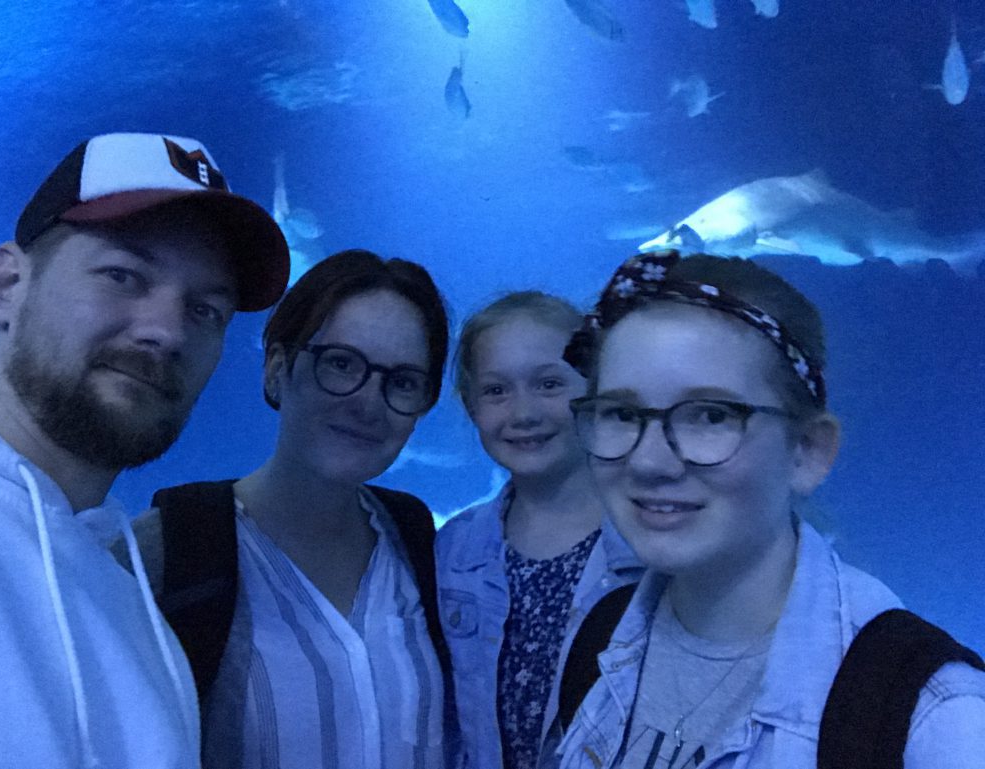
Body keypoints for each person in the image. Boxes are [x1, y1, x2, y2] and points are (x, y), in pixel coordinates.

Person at [544, 249, 985, 768]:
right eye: (620, 413)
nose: (649, 461)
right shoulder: (600, 637)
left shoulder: (932, 718)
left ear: (807, 451)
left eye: (710, 415)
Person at [0, 132, 289, 768]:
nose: (166, 331)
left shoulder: (144, 622)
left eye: (207, 310)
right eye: (122, 274)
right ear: (5, 285)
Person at [137, 248, 452, 769]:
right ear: (277, 369)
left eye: (402, 381)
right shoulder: (162, 557)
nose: (368, 402)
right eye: (341, 363)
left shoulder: (423, 548)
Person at [436, 291, 643, 769]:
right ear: (470, 405)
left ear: (595, 391)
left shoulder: (651, 539)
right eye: (495, 391)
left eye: (549, 384)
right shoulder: (452, 549)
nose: (522, 412)